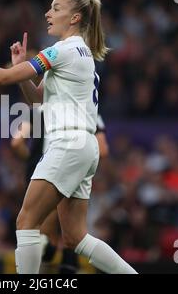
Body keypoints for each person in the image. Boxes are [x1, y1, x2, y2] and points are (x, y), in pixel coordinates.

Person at [0, 0, 136, 274]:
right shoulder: (80, 54)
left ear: (74, 17)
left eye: (55, 8)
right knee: (75, 237)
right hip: (83, 145)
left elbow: (3, 78)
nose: (48, 13)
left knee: (26, 222)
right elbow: (38, 101)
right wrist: (20, 66)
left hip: (67, 142)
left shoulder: (62, 50)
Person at [11, 111, 109, 273]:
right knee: (72, 238)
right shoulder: (87, 109)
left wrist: (34, 161)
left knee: (40, 236)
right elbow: (102, 148)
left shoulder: (38, 108)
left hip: (42, 176)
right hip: (72, 171)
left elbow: (16, 143)